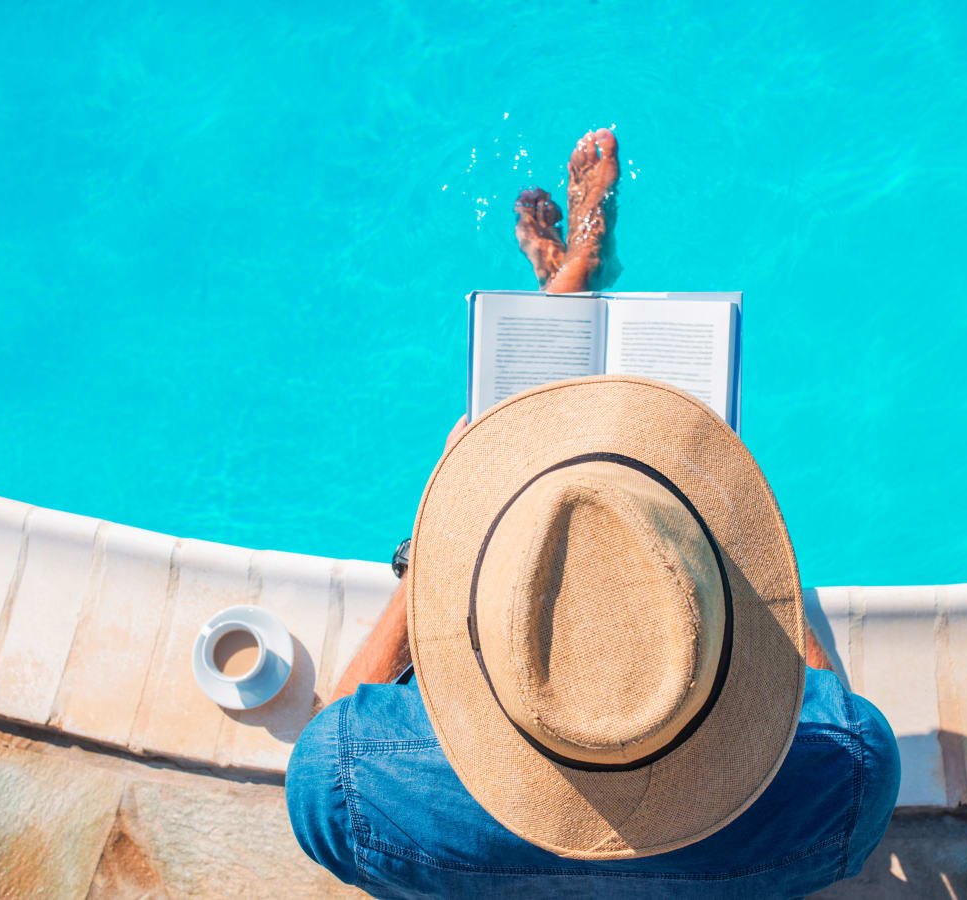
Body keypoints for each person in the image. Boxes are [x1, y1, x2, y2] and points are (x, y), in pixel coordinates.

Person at [286, 128, 900, 898]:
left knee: (558, 509)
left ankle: (567, 282)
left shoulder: (347, 787)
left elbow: (325, 739)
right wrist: (742, 562)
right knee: (611, 522)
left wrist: (431, 555)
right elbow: (824, 702)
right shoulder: (848, 779)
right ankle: (573, 270)